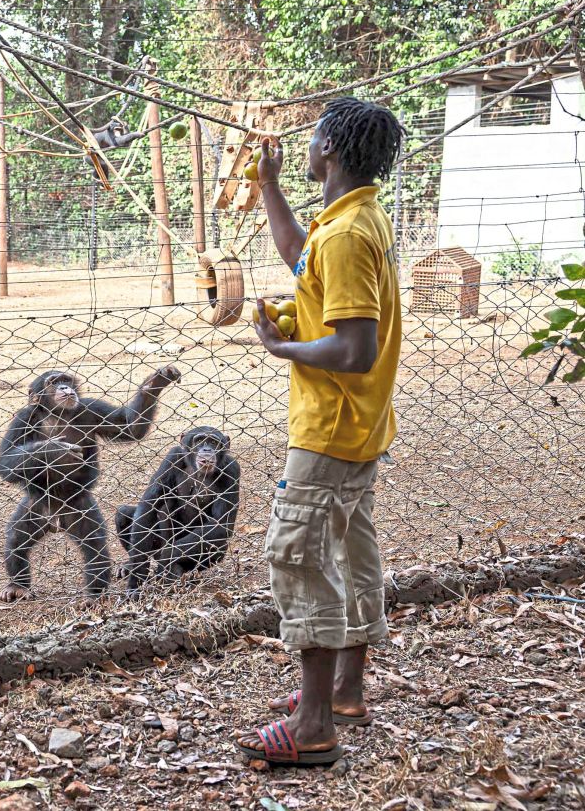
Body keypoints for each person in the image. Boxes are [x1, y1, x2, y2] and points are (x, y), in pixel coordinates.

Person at [234, 98, 405, 766]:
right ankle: (344, 691)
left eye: (309, 141)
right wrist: (269, 184)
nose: (303, 148)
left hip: (330, 426)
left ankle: (311, 730)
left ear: (328, 149)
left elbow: (354, 349)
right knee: (350, 545)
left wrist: (287, 350)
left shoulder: (345, 235)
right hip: (362, 422)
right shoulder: (357, 217)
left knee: (298, 555)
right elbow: (304, 258)